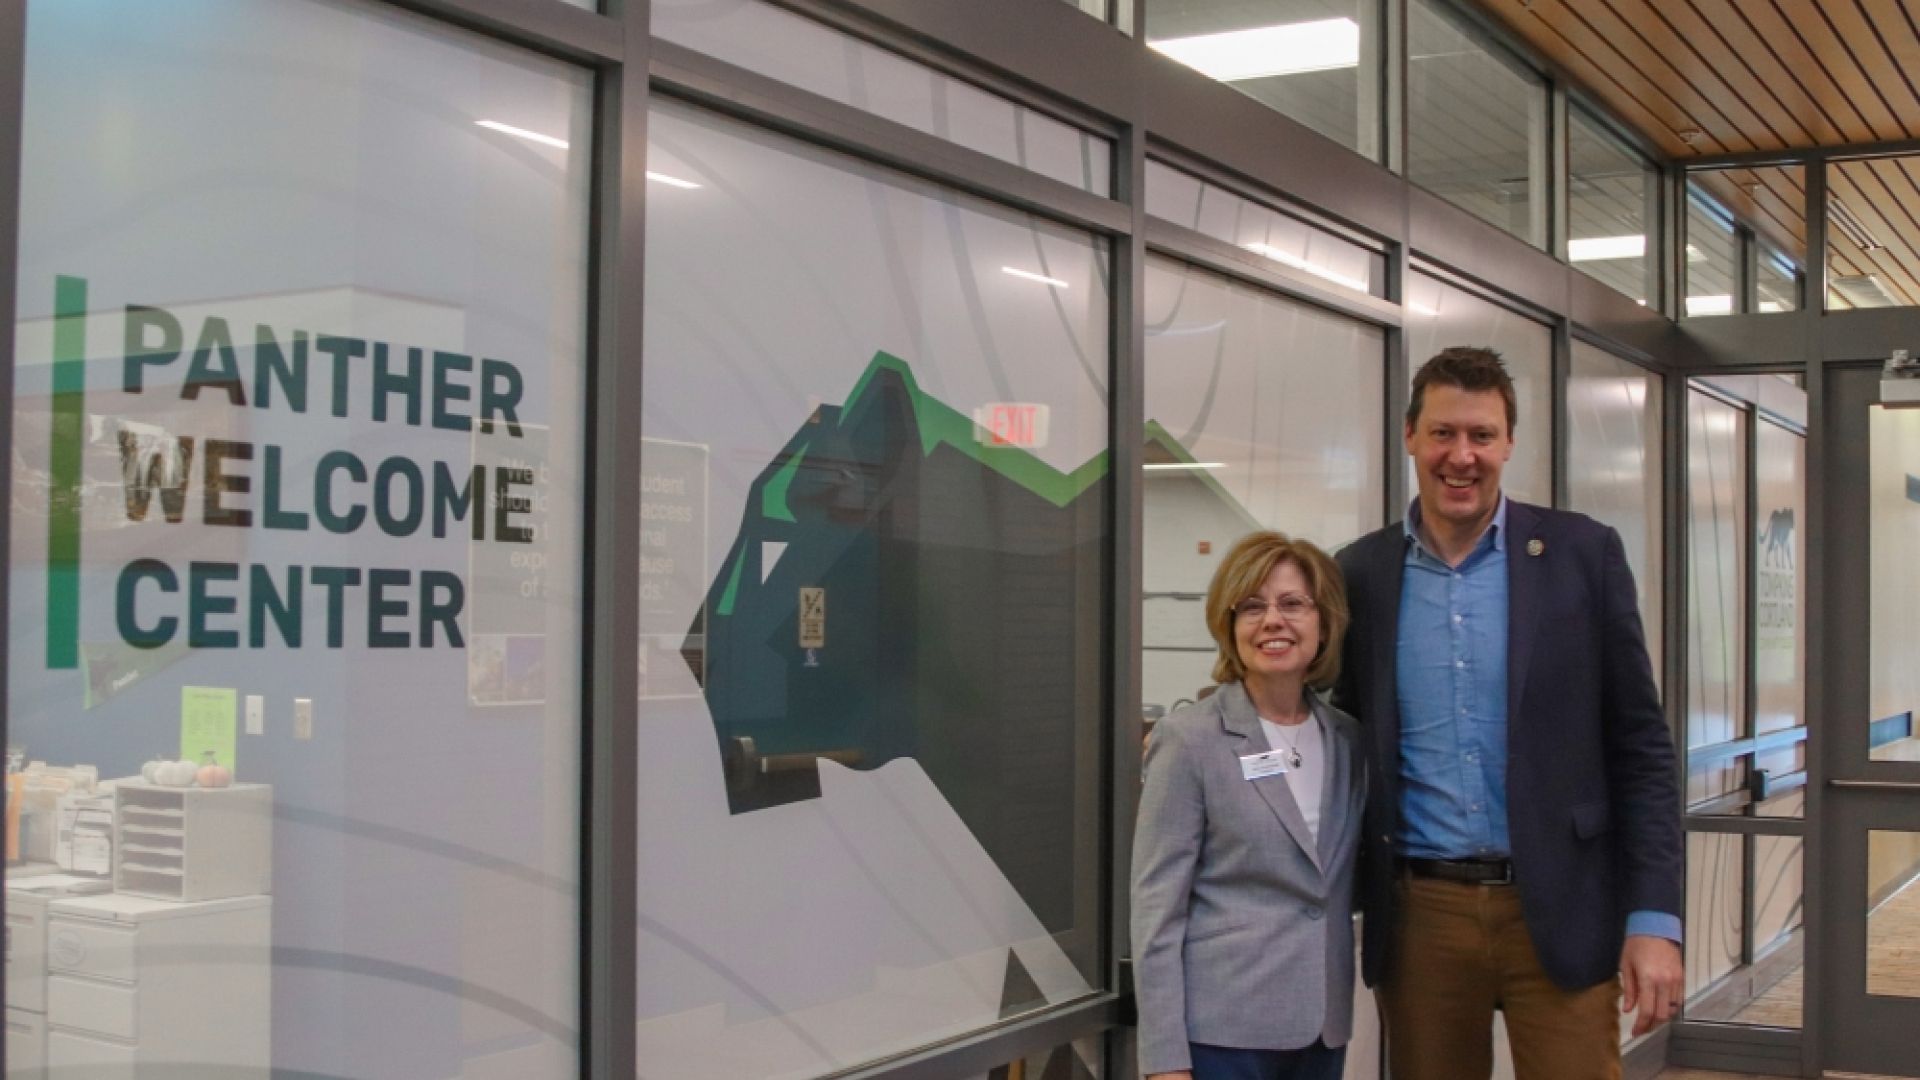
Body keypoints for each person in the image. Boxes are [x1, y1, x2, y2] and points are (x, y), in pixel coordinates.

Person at [1332, 347, 1683, 1080]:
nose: (1462, 456)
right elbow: (1336, 728)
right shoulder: (1361, 573)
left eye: (1482, 436)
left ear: (1509, 443)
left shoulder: (1582, 554)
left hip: (1561, 905)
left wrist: (1654, 918)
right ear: (1410, 437)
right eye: (1443, 433)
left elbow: (1641, 748)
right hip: (1421, 914)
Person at [1133, 531, 1369, 1080]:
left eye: (1292, 604)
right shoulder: (1189, 739)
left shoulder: (1348, 740)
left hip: (1321, 1028)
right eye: (1253, 606)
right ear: (1229, 623)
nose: (1273, 621)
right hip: (1222, 1033)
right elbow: (1156, 910)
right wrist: (1163, 1059)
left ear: (1323, 621)